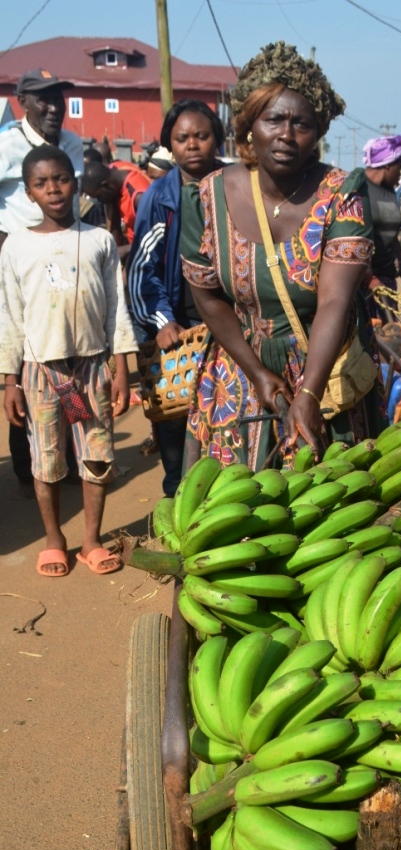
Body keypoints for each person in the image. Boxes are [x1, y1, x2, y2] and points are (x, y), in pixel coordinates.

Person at [180, 41, 385, 465]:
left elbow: (334, 299)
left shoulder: (342, 193)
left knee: (336, 507)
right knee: (236, 508)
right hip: (241, 368)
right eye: (274, 119)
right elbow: (207, 297)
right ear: (250, 123)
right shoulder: (205, 199)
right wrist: (256, 373)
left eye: (302, 124)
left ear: (319, 132)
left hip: (327, 372)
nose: (287, 135)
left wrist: (309, 392)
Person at [0, 145, 137, 576]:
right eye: (41, 183)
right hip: (42, 370)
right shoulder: (16, 246)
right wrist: (10, 381)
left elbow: (116, 306)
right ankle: (54, 539)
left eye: (60, 179)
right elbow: (9, 314)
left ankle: (91, 540)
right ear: (29, 192)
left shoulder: (98, 240)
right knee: (47, 461)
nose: (53, 189)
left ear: (75, 183)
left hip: (92, 367)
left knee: (97, 456)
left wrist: (121, 368)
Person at [127, 99, 225, 496]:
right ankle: (176, 494)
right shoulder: (158, 197)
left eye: (201, 136)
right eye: (182, 138)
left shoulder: (235, 184)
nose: (192, 145)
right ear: (170, 143)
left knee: (224, 411)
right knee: (175, 416)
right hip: (177, 319)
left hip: (227, 316)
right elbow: (141, 269)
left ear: (216, 138)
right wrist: (161, 320)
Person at [0, 68, 84, 494]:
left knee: (65, 356)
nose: (53, 107)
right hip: (18, 262)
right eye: (42, 99)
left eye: (59, 98)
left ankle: (68, 455)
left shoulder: (72, 144)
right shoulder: (7, 145)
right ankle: (28, 464)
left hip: (65, 260)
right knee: (26, 358)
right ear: (22, 103)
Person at [361, 134, 401, 323]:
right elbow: (356, 238)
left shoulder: (389, 191)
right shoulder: (359, 187)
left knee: (391, 334)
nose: (400, 173)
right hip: (361, 282)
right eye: (399, 167)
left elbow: (392, 238)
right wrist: (369, 279)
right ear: (388, 165)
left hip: (386, 278)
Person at [81, 157, 151, 254]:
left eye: (98, 196)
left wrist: (125, 250)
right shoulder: (114, 169)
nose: (100, 201)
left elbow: (158, 237)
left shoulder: (139, 198)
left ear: (105, 186)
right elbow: (114, 223)